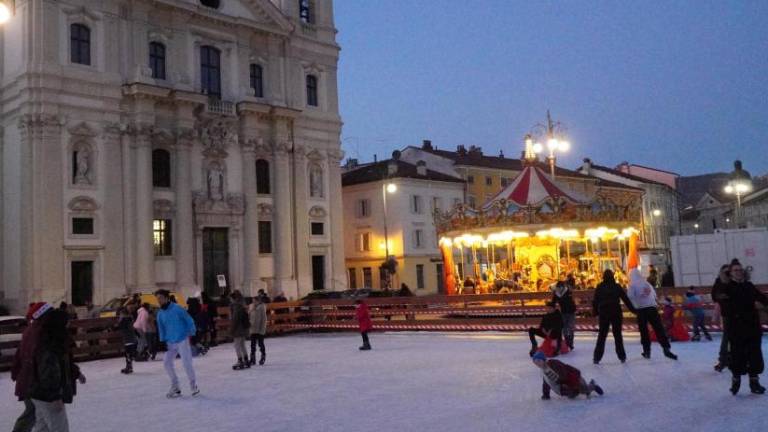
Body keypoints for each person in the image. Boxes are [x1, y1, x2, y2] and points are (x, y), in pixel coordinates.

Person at [28, 308, 87, 432]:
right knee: (59, 428)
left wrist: (76, 373)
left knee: (42, 427)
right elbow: (48, 374)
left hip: (38, 393)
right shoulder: (50, 345)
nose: (69, 324)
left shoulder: (50, 340)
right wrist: (54, 397)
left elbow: (64, 364)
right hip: (46, 395)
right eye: (67, 321)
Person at [725, 261, 768, 395]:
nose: (739, 272)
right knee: (737, 355)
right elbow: (722, 303)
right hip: (736, 328)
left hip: (752, 327)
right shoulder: (727, 288)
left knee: (754, 354)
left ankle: (754, 382)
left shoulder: (749, 286)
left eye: (740, 270)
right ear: (730, 273)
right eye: (735, 270)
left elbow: (762, 298)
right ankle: (736, 381)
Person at [11, 303, 52, 432]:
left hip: (29, 380)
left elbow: (19, 355)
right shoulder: (37, 332)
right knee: (32, 412)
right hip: (32, 381)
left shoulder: (32, 330)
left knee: (36, 413)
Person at [155, 289, 199, 398]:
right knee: (166, 362)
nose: (159, 300)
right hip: (170, 342)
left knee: (186, 363)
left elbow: (189, 320)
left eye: (160, 298)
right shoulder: (160, 313)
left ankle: (193, 385)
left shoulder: (177, 309)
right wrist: (162, 341)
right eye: (157, 298)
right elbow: (161, 328)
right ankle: (175, 386)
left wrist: (192, 333)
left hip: (182, 339)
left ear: (166, 298)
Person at [627, 268, 677, 360]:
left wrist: (635, 307)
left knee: (644, 331)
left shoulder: (632, 285)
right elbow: (654, 295)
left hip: (641, 310)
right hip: (652, 308)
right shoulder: (647, 283)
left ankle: (647, 351)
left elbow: (630, 297)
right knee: (658, 328)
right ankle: (666, 348)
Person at [592, 269, 635, 364]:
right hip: (616, 312)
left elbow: (595, 301)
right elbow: (626, 299)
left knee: (602, 335)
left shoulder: (600, 287)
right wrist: (633, 310)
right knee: (618, 335)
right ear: (612, 276)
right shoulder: (617, 287)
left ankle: (597, 357)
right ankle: (622, 356)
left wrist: (595, 312)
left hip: (604, 312)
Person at [532, 351, 603, 400]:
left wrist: (563, 383)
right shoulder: (543, 370)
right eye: (535, 362)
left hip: (570, 380)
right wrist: (546, 394)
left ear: (543, 360)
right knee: (572, 395)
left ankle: (593, 386)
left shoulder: (552, 364)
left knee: (583, 390)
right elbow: (546, 382)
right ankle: (575, 390)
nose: (537, 363)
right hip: (561, 388)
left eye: (539, 361)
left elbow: (563, 373)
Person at [711, 264, 732, 372]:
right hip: (727, 314)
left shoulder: (735, 281)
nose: (727, 274)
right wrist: (723, 298)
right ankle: (723, 360)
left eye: (729, 271)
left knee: (739, 338)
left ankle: (733, 358)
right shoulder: (719, 282)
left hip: (739, 315)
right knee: (727, 337)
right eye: (725, 272)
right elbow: (714, 296)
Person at [551, 278, 577, 350]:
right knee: (569, 327)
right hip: (569, 311)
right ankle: (569, 342)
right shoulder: (567, 290)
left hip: (566, 311)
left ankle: (569, 342)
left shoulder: (558, 292)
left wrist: (551, 304)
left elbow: (554, 302)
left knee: (566, 327)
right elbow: (554, 302)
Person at [229, 290, 251, 370]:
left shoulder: (236, 306)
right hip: (244, 328)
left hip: (238, 329)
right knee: (242, 345)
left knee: (237, 346)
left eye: (230, 298)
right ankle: (246, 359)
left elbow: (235, 319)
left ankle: (240, 360)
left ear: (233, 298)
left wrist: (232, 329)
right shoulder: (243, 304)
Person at [116, 307, 138, 374]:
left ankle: (129, 367)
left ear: (123, 313)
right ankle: (129, 366)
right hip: (131, 338)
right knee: (128, 354)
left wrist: (118, 322)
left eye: (120, 314)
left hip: (128, 339)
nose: (120, 316)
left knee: (128, 354)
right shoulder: (129, 319)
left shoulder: (124, 320)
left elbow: (119, 327)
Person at [248, 295, 268, 366]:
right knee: (252, 345)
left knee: (260, 343)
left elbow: (264, 319)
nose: (253, 302)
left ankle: (263, 356)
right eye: (253, 300)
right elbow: (249, 316)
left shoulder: (262, 307)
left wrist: (262, 329)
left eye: (255, 300)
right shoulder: (251, 306)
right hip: (252, 328)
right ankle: (252, 358)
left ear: (258, 301)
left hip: (260, 329)